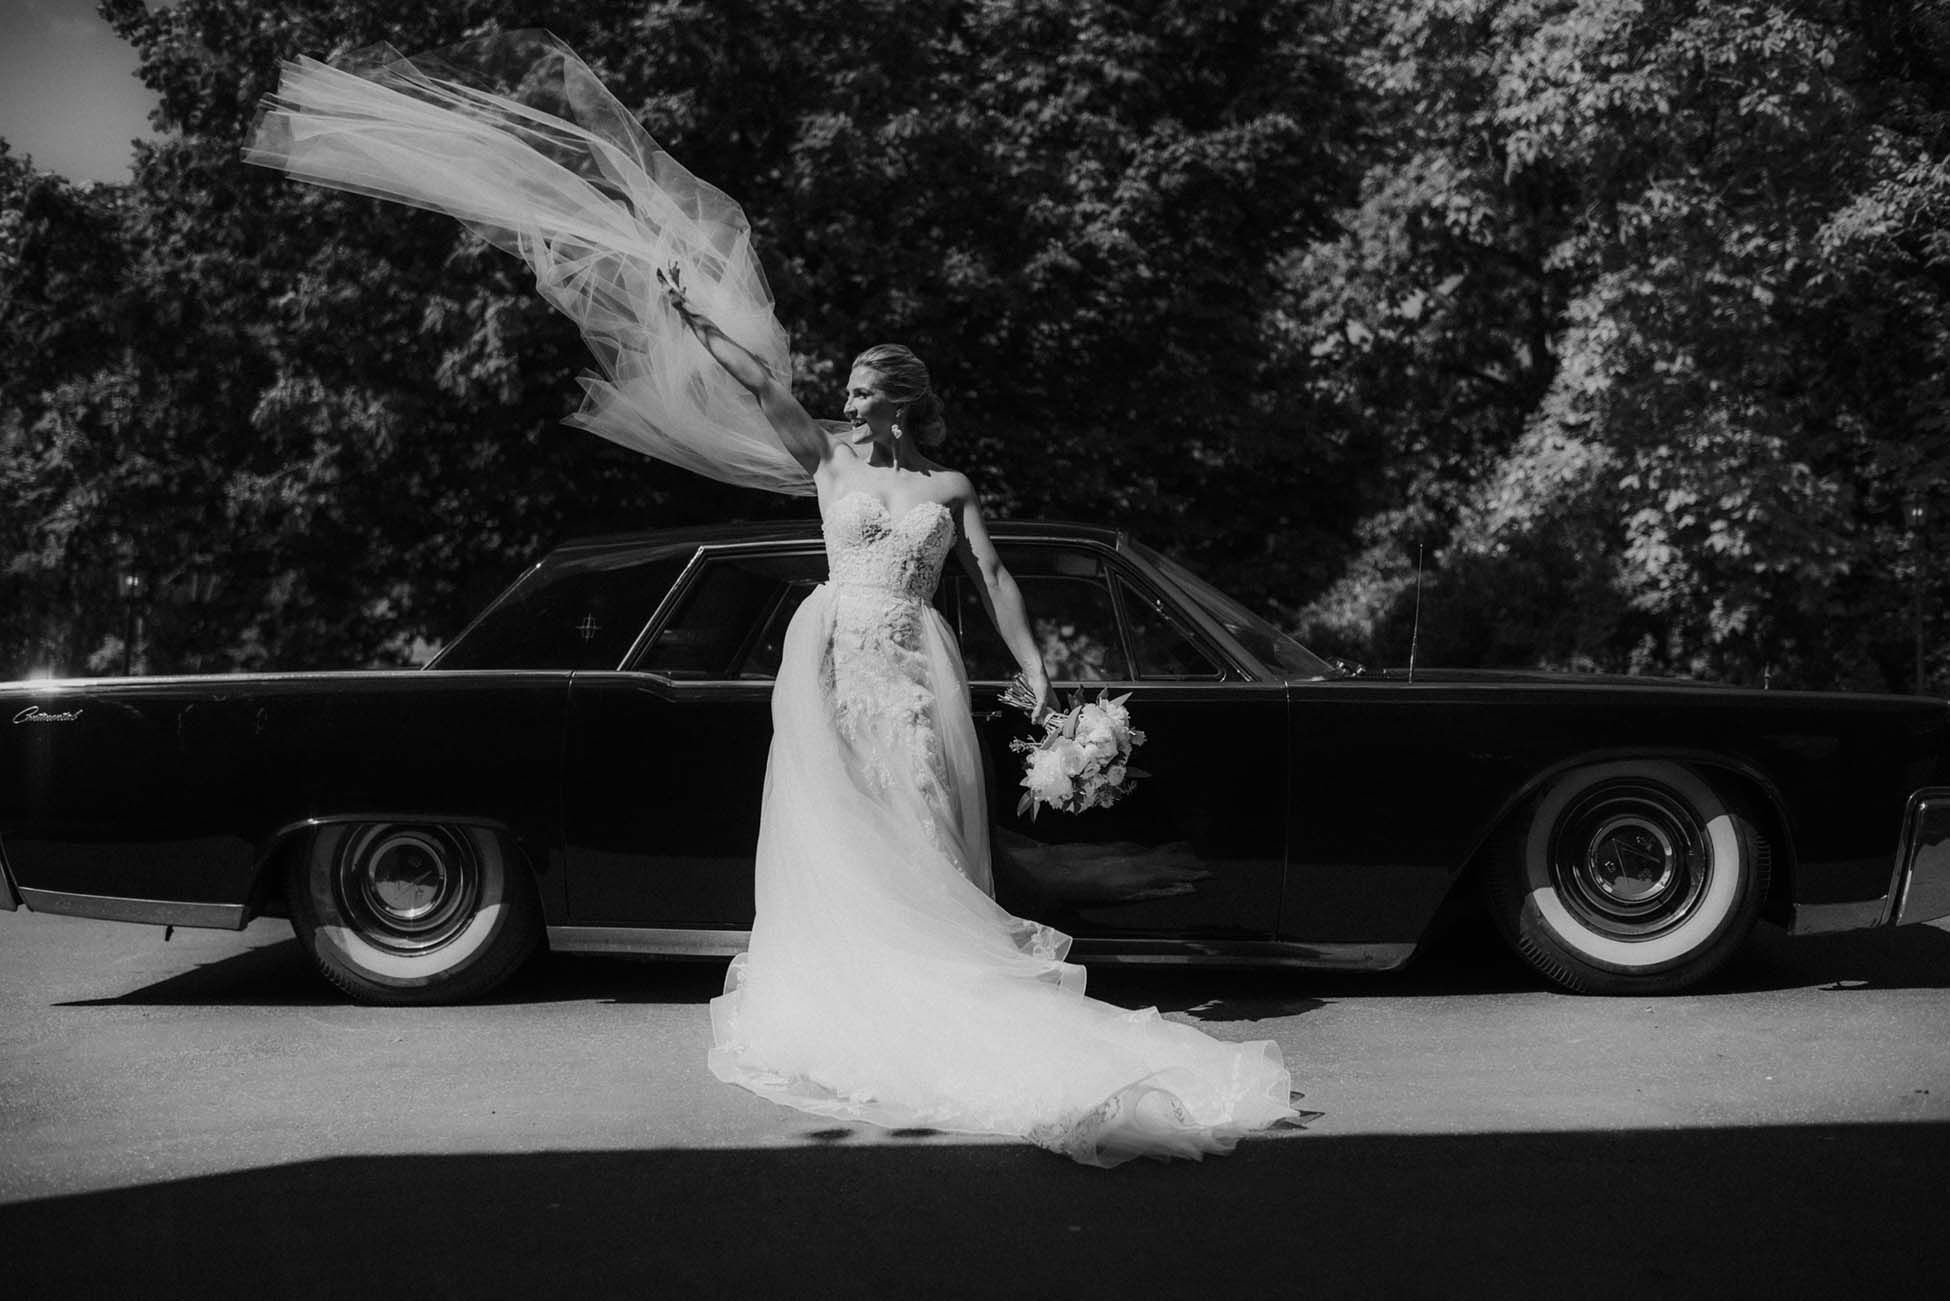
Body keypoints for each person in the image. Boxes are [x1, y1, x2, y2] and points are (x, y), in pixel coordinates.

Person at [245, 31, 1300, 1166]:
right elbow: (764, 383)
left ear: (900, 401)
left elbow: (991, 572)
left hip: (921, 653)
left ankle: (937, 965)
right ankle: (860, 976)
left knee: (925, 814)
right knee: (843, 818)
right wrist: (691, 318)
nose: (843, 399)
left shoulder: (946, 481)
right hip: (839, 646)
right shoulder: (830, 466)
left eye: (860, 388)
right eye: (842, 387)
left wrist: (1034, 662)